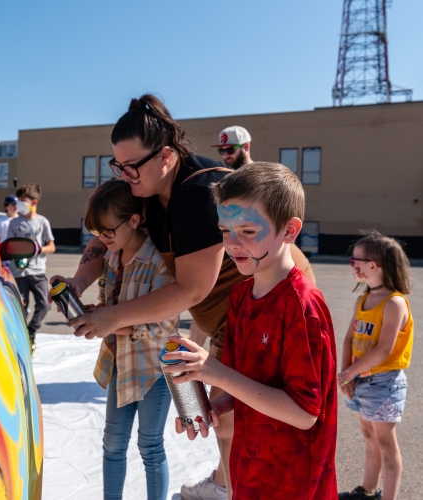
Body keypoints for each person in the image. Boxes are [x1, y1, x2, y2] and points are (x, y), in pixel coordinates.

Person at [52, 94, 315, 500]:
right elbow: (104, 233)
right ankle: (227, 484)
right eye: (116, 165)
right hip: (227, 315)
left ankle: (233, 488)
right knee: (225, 414)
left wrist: (112, 317)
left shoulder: (198, 193)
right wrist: (79, 281)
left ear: (166, 156)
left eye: (131, 165)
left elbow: (192, 288)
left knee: (260, 421)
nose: (123, 175)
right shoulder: (142, 187)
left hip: (256, 311)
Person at [164, 163, 338, 499]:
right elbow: (249, 383)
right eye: (224, 230)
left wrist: (216, 373)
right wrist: (217, 407)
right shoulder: (241, 296)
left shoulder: (302, 306)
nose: (232, 244)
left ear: (289, 230)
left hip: (293, 480)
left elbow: (304, 414)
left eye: (247, 231)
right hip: (248, 468)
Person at [78, 179, 178, 500]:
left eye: (108, 231)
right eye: (96, 233)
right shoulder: (111, 257)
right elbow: (113, 309)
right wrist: (94, 312)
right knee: (113, 444)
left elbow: (159, 327)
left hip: (155, 370)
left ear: (134, 221)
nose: (102, 239)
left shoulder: (159, 262)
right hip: (120, 362)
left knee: (150, 446)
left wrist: (107, 323)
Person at [338, 232, 413, 500]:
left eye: (355, 260)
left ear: (375, 265)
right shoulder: (363, 299)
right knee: (369, 437)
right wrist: (348, 375)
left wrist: (349, 373)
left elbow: (384, 350)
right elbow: (349, 338)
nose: (352, 265)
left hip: (384, 384)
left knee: (386, 445)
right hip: (360, 381)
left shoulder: (394, 303)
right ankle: (368, 492)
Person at [7, 183, 55, 346]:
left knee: (45, 304)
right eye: (18, 200)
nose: (18, 204)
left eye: (22, 201)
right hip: (19, 273)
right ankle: (22, 339)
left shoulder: (42, 222)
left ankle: (31, 331)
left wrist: (36, 249)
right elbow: (9, 246)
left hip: (37, 272)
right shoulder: (13, 223)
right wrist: (17, 256)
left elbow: (52, 246)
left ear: (34, 202)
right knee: (21, 307)